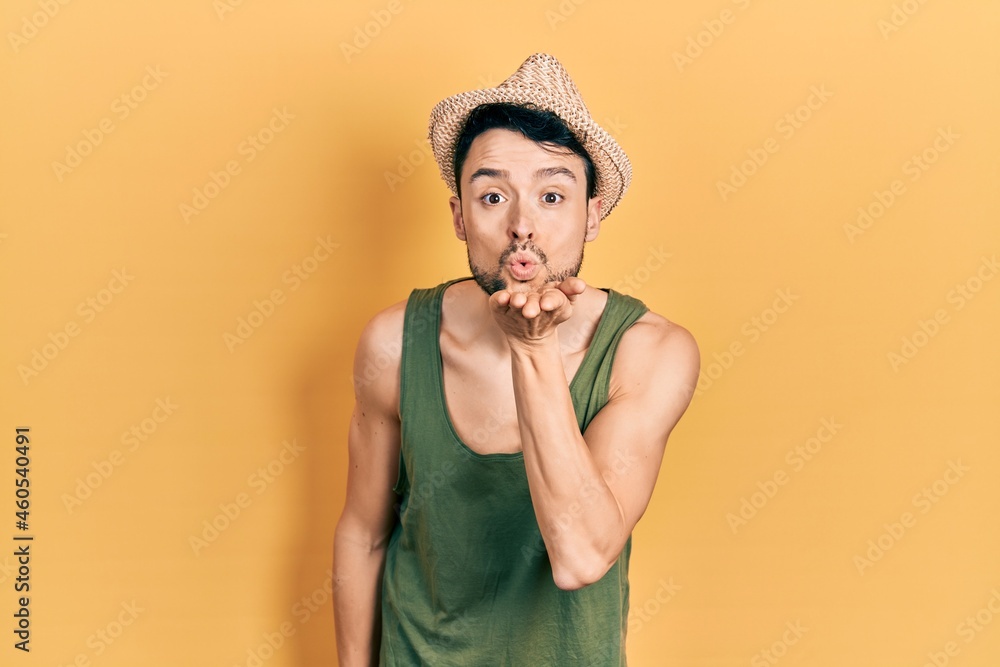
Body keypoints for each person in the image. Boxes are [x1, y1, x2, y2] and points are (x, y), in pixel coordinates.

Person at [333, 52, 699, 666]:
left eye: (553, 195)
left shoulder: (651, 352)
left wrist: (531, 349)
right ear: (459, 215)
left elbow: (581, 555)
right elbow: (363, 534)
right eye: (493, 195)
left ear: (593, 216)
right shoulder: (394, 344)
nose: (522, 226)